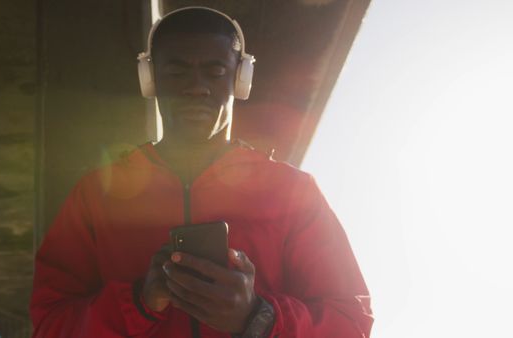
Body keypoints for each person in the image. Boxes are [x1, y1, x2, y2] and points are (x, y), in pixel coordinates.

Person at [30, 6, 373, 338]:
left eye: (216, 71)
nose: (196, 87)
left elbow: (352, 323)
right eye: (177, 71)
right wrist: (139, 302)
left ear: (241, 79)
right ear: (150, 79)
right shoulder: (97, 195)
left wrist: (258, 317)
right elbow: (48, 325)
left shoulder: (292, 192)